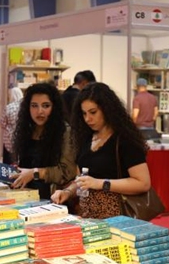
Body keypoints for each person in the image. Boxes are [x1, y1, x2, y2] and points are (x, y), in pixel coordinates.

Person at [51, 82, 151, 219]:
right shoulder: (86, 138)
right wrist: (67, 192)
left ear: (107, 109)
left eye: (93, 112)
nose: (88, 119)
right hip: (87, 216)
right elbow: (82, 180)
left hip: (119, 217)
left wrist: (101, 183)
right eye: (84, 113)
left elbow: (143, 183)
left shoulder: (124, 140)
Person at [10, 83, 77, 200]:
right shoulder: (26, 130)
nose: (39, 111)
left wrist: (35, 173)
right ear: (27, 108)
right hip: (25, 196)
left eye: (46, 106)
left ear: (54, 107)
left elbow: (67, 172)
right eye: (34, 106)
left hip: (52, 199)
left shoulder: (64, 132)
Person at [0, 87, 25, 164]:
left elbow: (2, 123)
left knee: (8, 162)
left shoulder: (9, 107)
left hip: (9, 140)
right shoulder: (25, 108)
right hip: (23, 139)